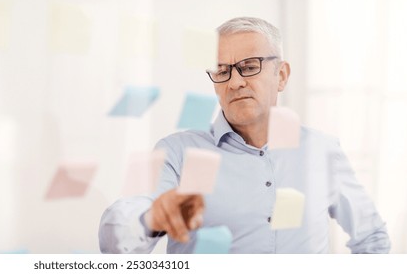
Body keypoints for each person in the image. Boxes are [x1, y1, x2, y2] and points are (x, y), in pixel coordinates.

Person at [98, 17, 390, 254]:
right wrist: (150, 218)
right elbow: (116, 240)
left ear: (282, 76)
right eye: (222, 71)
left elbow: (371, 236)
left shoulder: (322, 150)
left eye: (249, 67)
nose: (234, 82)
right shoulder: (177, 153)